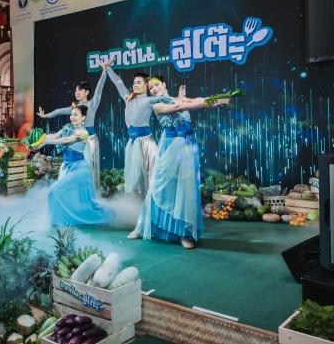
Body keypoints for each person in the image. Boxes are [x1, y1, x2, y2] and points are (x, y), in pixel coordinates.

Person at [129, 76, 229, 249]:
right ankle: (143, 226)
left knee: (184, 189)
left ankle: (184, 233)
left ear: (164, 84)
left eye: (156, 85)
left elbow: (194, 100)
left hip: (187, 146)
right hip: (171, 146)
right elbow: (179, 107)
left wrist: (217, 100)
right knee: (159, 187)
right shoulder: (156, 105)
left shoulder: (177, 98)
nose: (154, 89)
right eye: (151, 88)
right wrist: (203, 103)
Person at [33, 105, 112, 226]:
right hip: (66, 167)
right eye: (71, 114)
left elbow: (66, 140)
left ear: (83, 117)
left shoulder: (83, 132)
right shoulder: (67, 127)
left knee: (55, 191)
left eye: (76, 115)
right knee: (68, 197)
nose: (72, 117)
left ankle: (61, 221)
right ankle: (61, 221)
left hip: (79, 170)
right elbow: (53, 136)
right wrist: (38, 142)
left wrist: (47, 142)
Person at [37, 70, 108, 191]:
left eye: (80, 90)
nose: (77, 93)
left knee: (90, 169)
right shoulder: (74, 108)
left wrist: (104, 72)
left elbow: (99, 89)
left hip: (89, 140)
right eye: (75, 91)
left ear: (87, 92)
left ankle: (90, 194)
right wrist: (46, 115)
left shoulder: (92, 104)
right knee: (76, 171)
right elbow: (59, 111)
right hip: (76, 140)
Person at [103, 60, 157, 197]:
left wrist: (181, 98)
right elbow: (118, 82)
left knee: (148, 176)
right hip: (132, 142)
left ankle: (151, 203)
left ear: (146, 85)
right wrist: (108, 69)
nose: (135, 85)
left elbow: (168, 101)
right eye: (134, 83)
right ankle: (139, 203)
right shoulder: (129, 98)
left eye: (139, 82)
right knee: (135, 178)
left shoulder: (150, 100)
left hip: (145, 142)